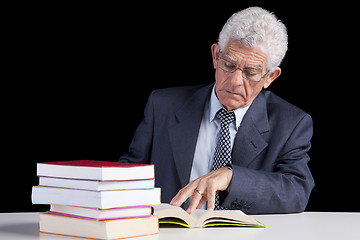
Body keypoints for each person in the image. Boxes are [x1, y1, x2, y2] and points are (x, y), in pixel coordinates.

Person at [119, 7, 314, 214]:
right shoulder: (163, 105)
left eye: (250, 73)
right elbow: (130, 174)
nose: (235, 82)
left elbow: (297, 192)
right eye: (228, 65)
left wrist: (231, 177)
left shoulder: (291, 123)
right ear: (215, 56)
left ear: (270, 77)